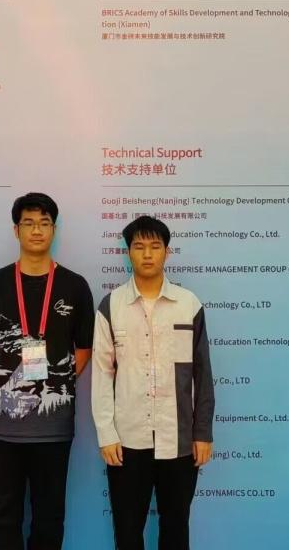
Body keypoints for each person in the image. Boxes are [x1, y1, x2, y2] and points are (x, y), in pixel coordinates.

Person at [0, 192, 95, 550]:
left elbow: (83, 348)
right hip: (1, 427)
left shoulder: (75, 285)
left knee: (49, 516)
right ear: (16, 230)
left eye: (44, 223)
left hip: (53, 426)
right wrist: (16, 380)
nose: (37, 230)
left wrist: (53, 380)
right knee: (3, 515)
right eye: (28, 223)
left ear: (54, 230)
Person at [92, 215, 215, 550]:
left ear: (167, 252)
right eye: (139, 246)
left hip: (179, 440)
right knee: (127, 532)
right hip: (127, 441)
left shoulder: (188, 304)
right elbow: (102, 374)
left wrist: (202, 432)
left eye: (155, 246)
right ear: (128, 253)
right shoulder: (111, 306)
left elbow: (202, 374)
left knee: (175, 530)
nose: (147, 254)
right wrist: (107, 433)